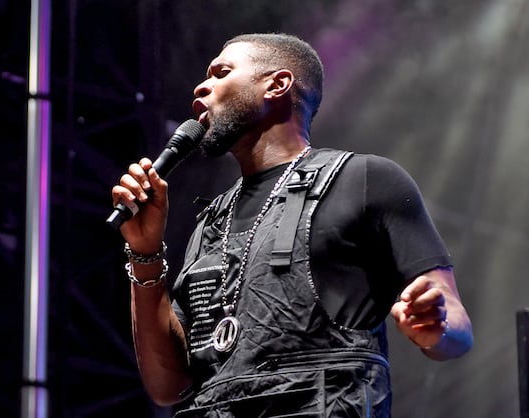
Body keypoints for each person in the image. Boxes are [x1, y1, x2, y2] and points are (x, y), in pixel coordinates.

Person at [111, 32, 473, 417]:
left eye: (222, 72)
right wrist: (145, 252)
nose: (202, 86)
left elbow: (457, 328)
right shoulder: (212, 221)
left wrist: (435, 326)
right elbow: (168, 387)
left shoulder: (365, 180)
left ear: (278, 85)